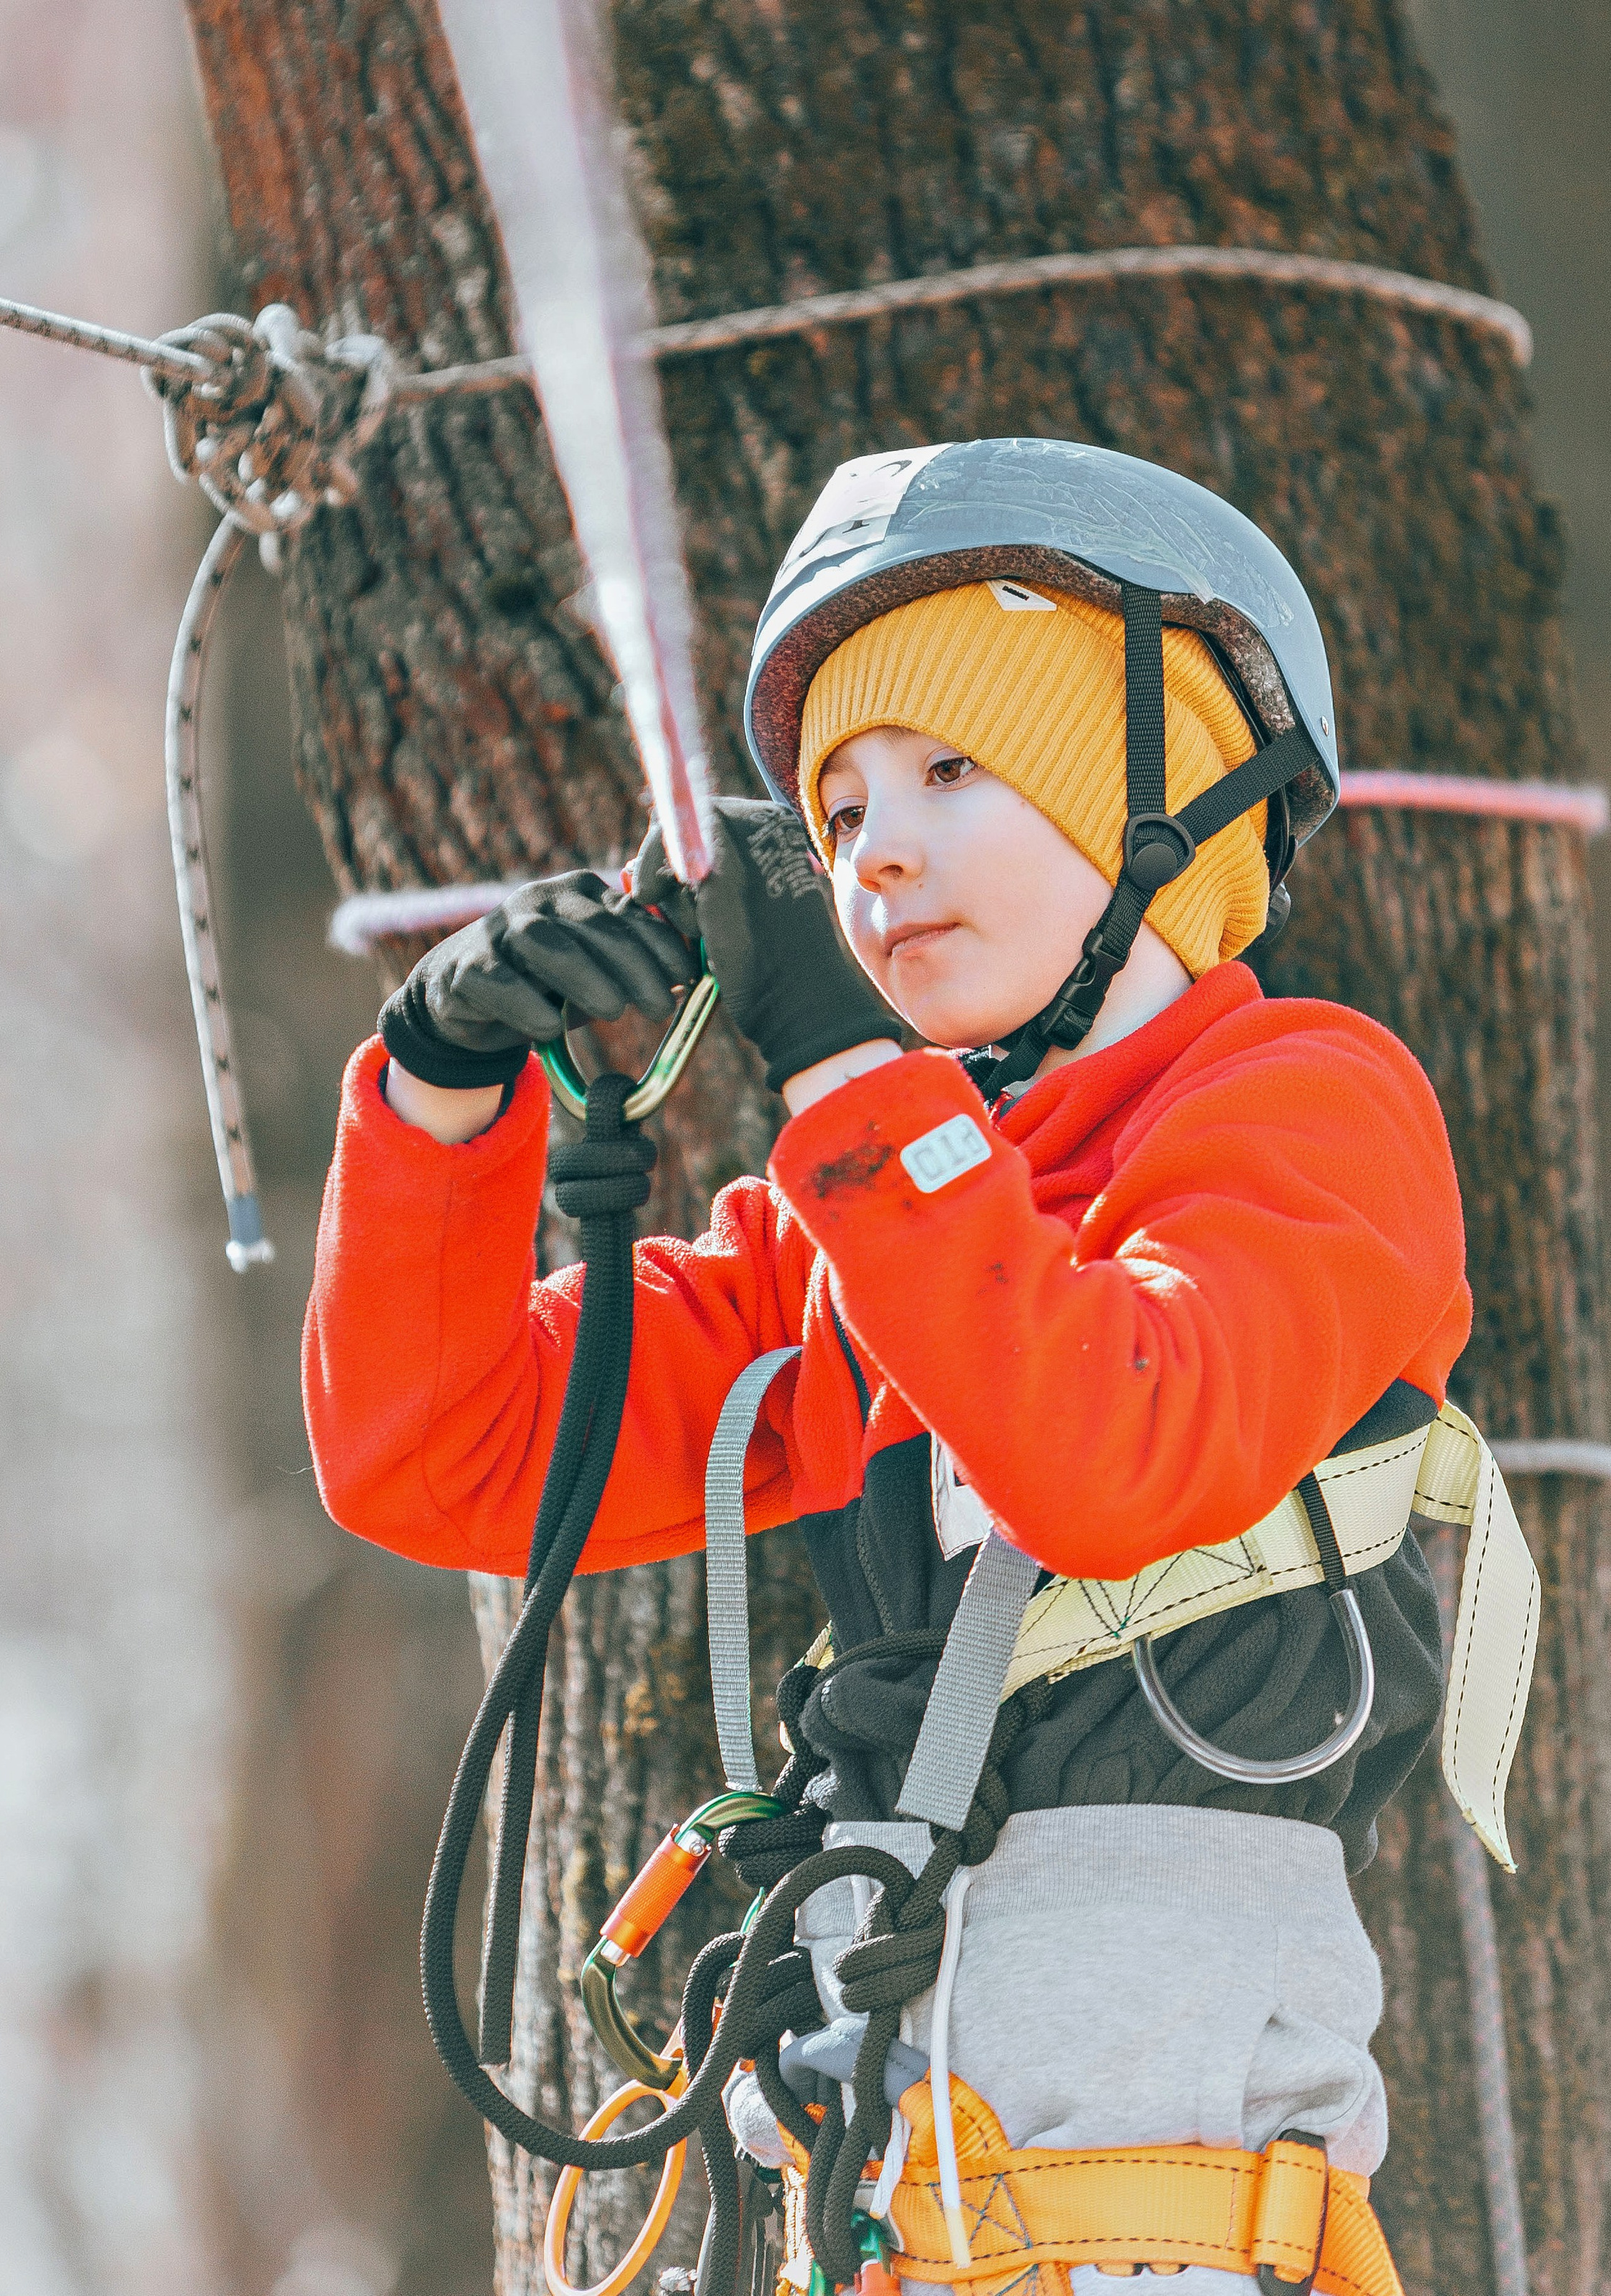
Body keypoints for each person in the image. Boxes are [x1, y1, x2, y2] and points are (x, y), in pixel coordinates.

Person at [303, 439, 1478, 2295]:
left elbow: (1108, 1449)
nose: (880, 856)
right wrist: (445, 1097)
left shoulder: (1307, 1106)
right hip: (887, 2189)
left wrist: (854, 1077)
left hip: (1144, 2216)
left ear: (1163, 813)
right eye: (837, 814)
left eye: (953, 771)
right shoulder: (853, 1233)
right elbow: (444, 1463)